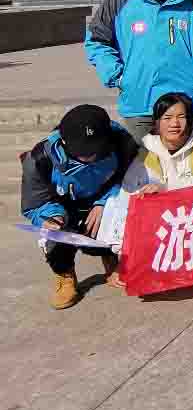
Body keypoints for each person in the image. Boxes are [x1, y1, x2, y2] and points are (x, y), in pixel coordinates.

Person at [85, 0, 193, 141]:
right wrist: (119, 77)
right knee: (143, 160)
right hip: (140, 104)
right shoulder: (119, 2)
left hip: (186, 105)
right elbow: (96, 41)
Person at [21, 105, 138, 309]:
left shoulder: (123, 143)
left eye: (95, 149)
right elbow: (33, 205)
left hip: (103, 197)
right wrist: (51, 216)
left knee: (117, 211)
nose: (88, 155)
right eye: (81, 150)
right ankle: (64, 273)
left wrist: (105, 202)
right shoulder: (39, 160)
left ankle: (110, 258)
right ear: (64, 141)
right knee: (56, 235)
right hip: (61, 203)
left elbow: (128, 179)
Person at [124, 92, 193, 195]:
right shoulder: (146, 152)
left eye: (181, 117)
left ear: (190, 120)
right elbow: (129, 190)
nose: (174, 123)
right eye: (167, 118)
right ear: (157, 123)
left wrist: (167, 188)